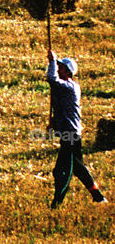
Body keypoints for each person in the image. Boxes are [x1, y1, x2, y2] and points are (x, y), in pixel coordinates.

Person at [46, 50, 107, 208]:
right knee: (78, 168)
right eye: (57, 66)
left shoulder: (70, 87)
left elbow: (51, 79)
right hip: (69, 133)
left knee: (63, 170)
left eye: (61, 67)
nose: (58, 69)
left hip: (71, 134)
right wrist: (53, 122)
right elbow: (60, 108)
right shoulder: (64, 88)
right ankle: (98, 197)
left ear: (68, 72)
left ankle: (56, 203)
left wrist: (52, 61)